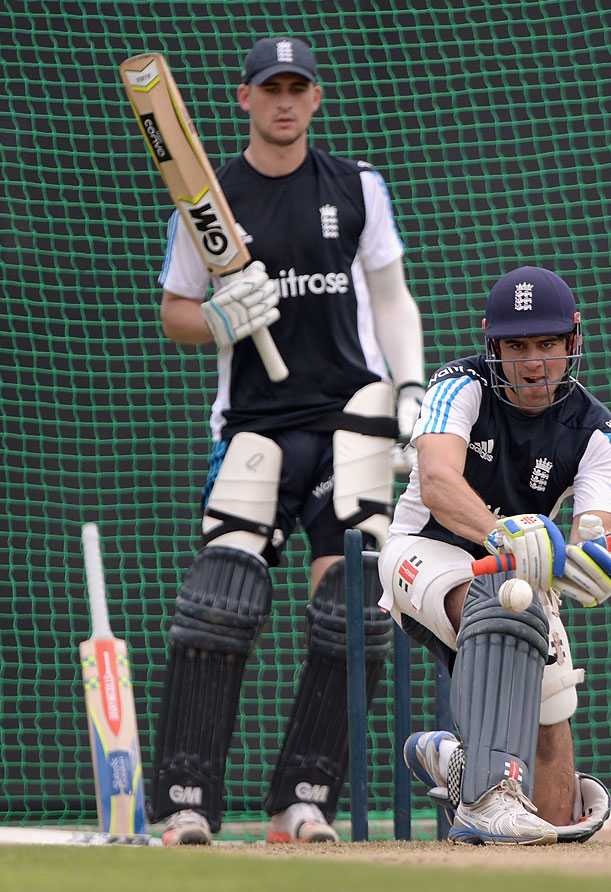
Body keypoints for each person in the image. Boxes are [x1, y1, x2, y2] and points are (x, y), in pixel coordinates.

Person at [148, 36, 425, 846]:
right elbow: (174, 313)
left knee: (357, 611)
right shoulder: (210, 201)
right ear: (244, 97)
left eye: (298, 86)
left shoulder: (358, 188)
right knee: (218, 606)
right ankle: (186, 803)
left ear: (315, 97)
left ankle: (303, 802)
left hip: (356, 421)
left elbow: (392, 298)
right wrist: (221, 320)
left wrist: (410, 391)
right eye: (271, 87)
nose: (284, 100)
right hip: (256, 426)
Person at [377, 266, 611, 845]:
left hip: (519, 578)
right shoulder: (457, 386)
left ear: (574, 342)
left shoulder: (598, 433)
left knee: (556, 821)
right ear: (493, 346)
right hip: (423, 556)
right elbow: (438, 482)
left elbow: (594, 528)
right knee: (506, 603)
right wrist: (503, 535)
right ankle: (487, 798)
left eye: (547, 344)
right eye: (517, 346)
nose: (534, 362)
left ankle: (460, 765)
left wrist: (590, 561)